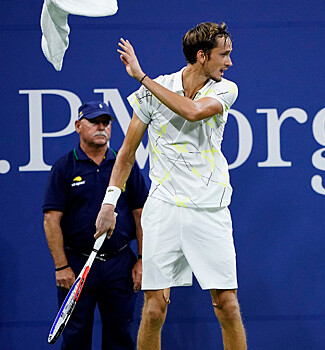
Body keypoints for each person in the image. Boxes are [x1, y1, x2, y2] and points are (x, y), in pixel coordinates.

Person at [94, 22, 247, 350]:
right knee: (153, 310)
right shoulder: (155, 90)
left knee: (228, 306)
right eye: (225, 55)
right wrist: (109, 202)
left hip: (209, 210)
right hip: (163, 210)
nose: (230, 62)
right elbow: (126, 153)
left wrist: (142, 78)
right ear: (202, 56)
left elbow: (192, 112)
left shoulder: (224, 90)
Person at [43, 101, 148, 350]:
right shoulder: (64, 168)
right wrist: (61, 267)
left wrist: (143, 259)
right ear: (79, 126)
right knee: (75, 338)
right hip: (77, 264)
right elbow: (51, 220)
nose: (101, 127)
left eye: (106, 123)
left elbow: (141, 214)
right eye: (94, 122)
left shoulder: (125, 165)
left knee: (120, 336)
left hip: (119, 263)